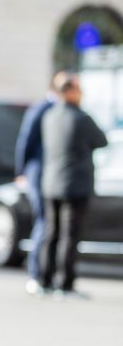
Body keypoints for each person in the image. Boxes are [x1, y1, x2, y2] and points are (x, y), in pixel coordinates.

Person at [39, 71, 107, 297]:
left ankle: (44, 280)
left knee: (52, 234)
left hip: (51, 183)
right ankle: (64, 284)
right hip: (74, 185)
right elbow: (101, 140)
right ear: (69, 91)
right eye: (79, 90)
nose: (82, 94)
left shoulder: (49, 116)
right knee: (69, 236)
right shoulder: (80, 117)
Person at [14, 80, 57, 295]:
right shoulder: (43, 108)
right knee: (43, 220)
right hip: (37, 172)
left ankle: (45, 274)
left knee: (48, 222)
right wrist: (21, 172)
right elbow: (26, 140)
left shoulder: (54, 109)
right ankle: (34, 273)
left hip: (49, 173)